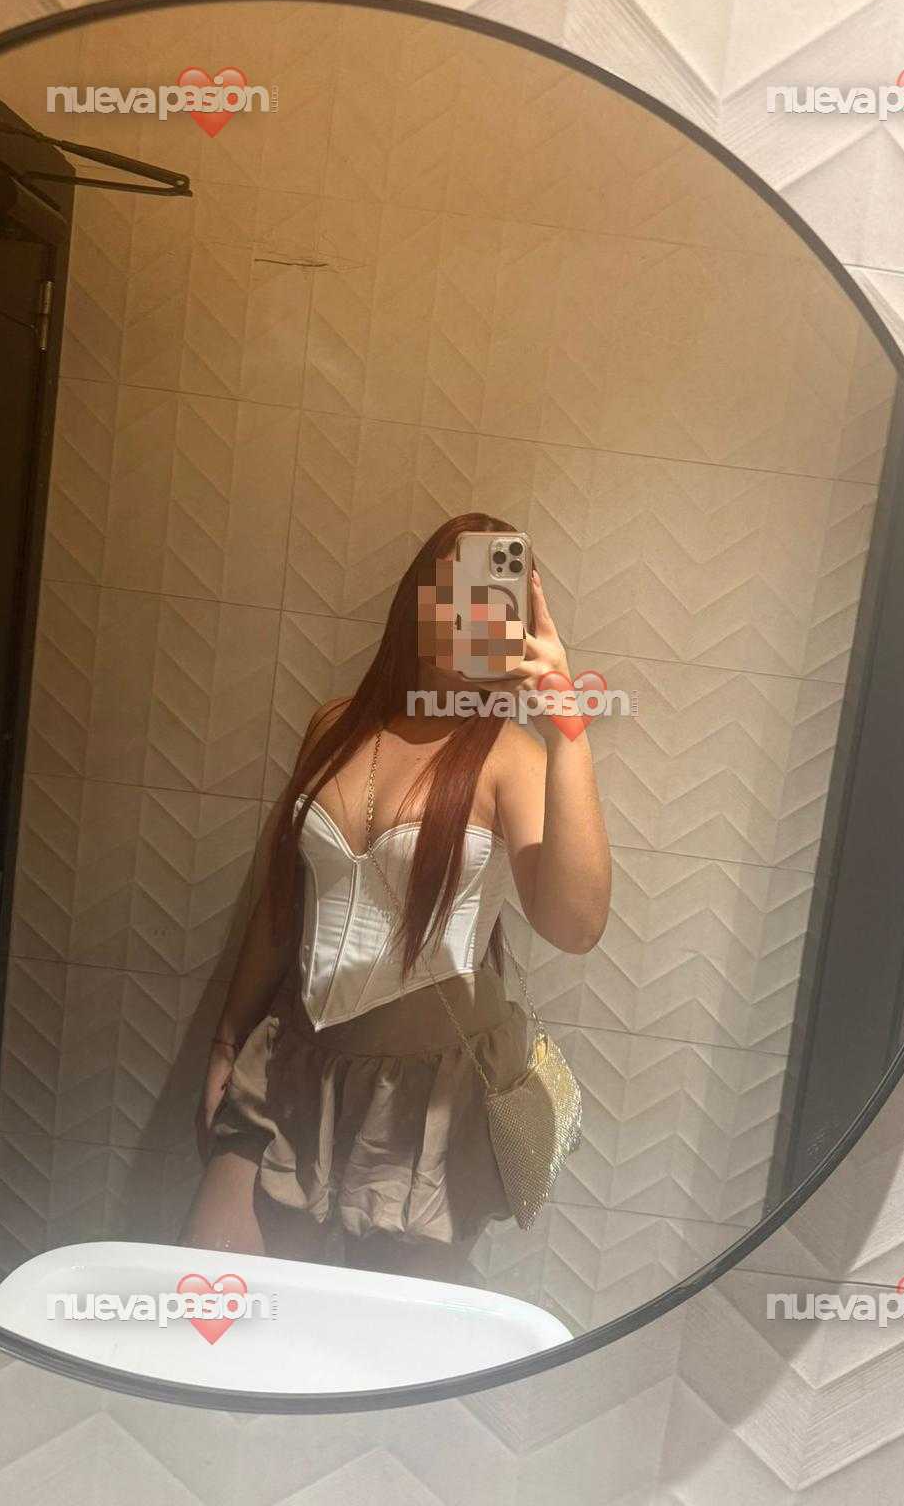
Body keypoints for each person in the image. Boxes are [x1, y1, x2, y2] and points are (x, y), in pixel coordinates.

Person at [179, 513, 611, 1283]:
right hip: (291, 1070)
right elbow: (283, 909)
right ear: (417, 597)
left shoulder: (510, 757)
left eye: (492, 598)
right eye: (452, 587)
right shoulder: (335, 726)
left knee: (381, 1338)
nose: (466, 612)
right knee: (215, 1302)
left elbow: (575, 925)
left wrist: (566, 727)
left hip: (426, 1105)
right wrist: (225, 1041)